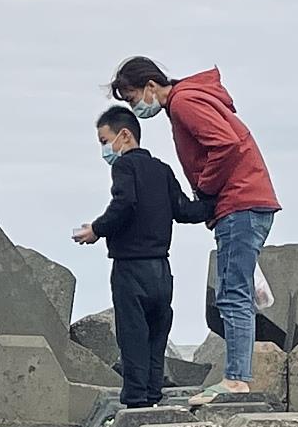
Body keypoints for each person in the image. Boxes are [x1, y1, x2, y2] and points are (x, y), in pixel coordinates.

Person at [106, 57, 280, 405]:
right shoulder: (187, 100)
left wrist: (206, 186)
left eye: (133, 96)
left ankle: (236, 380)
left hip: (239, 204)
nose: (135, 106)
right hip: (245, 202)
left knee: (232, 295)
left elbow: (226, 144)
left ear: (151, 86)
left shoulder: (184, 102)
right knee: (237, 288)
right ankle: (237, 376)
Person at [73, 105, 213, 408]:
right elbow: (185, 211)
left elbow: (124, 204)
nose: (104, 149)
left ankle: (136, 401)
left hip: (131, 269)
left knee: (133, 336)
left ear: (124, 136)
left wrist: (96, 229)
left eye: (103, 140)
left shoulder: (124, 167)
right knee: (156, 335)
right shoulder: (162, 170)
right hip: (162, 270)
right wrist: (216, 202)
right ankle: (152, 395)